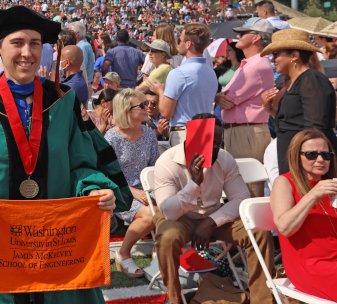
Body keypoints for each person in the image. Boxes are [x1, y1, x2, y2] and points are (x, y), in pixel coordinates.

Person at [0, 5, 131, 304]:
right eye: (16, 43)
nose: (27, 53)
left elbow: (82, 164)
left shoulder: (63, 102)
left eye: (35, 44)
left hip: (57, 246)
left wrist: (95, 188)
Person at [153, 114, 274, 304]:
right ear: (191, 140)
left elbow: (241, 198)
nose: (216, 148)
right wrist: (193, 184)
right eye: (211, 143)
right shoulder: (166, 163)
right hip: (180, 218)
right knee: (167, 237)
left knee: (258, 232)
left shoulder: (225, 158)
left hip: (215, 216)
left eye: (219, 142)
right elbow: (169, 212)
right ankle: (176, 300)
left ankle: (263, 300)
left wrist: (211, 222)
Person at [270, 129, 337, 302]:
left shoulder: (332, 185)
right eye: (311, 155)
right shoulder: (284, 182)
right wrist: (313, 195)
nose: (320, 160)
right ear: (296, 156)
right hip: (311, 266)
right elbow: (285, 228)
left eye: (326, 154)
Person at [260, 28, 337, 175]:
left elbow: (316, 129)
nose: (272, 59)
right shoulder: (296, 81)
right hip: (296, 162)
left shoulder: (311, 80)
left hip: (308, 166)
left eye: (276, 54)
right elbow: (291, 122)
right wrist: (268, 107)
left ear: (294, 55)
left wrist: (310, 168)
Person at [213, 18, 275, 197]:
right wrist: (218, 97)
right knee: (241, 189)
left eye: (243, 33)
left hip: (247, 133)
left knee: (248, 191)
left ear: (256, 38)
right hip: (243, 132)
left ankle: (255, 226)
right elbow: (225, 97)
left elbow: (228, 98)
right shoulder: (251, 64)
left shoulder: (255, 66)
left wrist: (217, 97)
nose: (237, 36)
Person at [106, 89, 158, 278]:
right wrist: (133, 191)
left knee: (172, 205)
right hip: (122, 192)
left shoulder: (149, 133)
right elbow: (107, 175)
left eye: (148, 104)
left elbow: (155, 167)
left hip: (149, 189)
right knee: (152, 213)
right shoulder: (111, 138)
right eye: (142, 105)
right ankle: (123, 253)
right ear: (126, 110)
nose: (148, 108)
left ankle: (160, 253)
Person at [146, 23, 218, 146]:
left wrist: (160, 92)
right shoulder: (210, 72)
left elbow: (166, 113)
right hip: (204, 131)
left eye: (180, 40)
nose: (178, 43)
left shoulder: (179, 73)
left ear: (189, 44)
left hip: (184, 134)